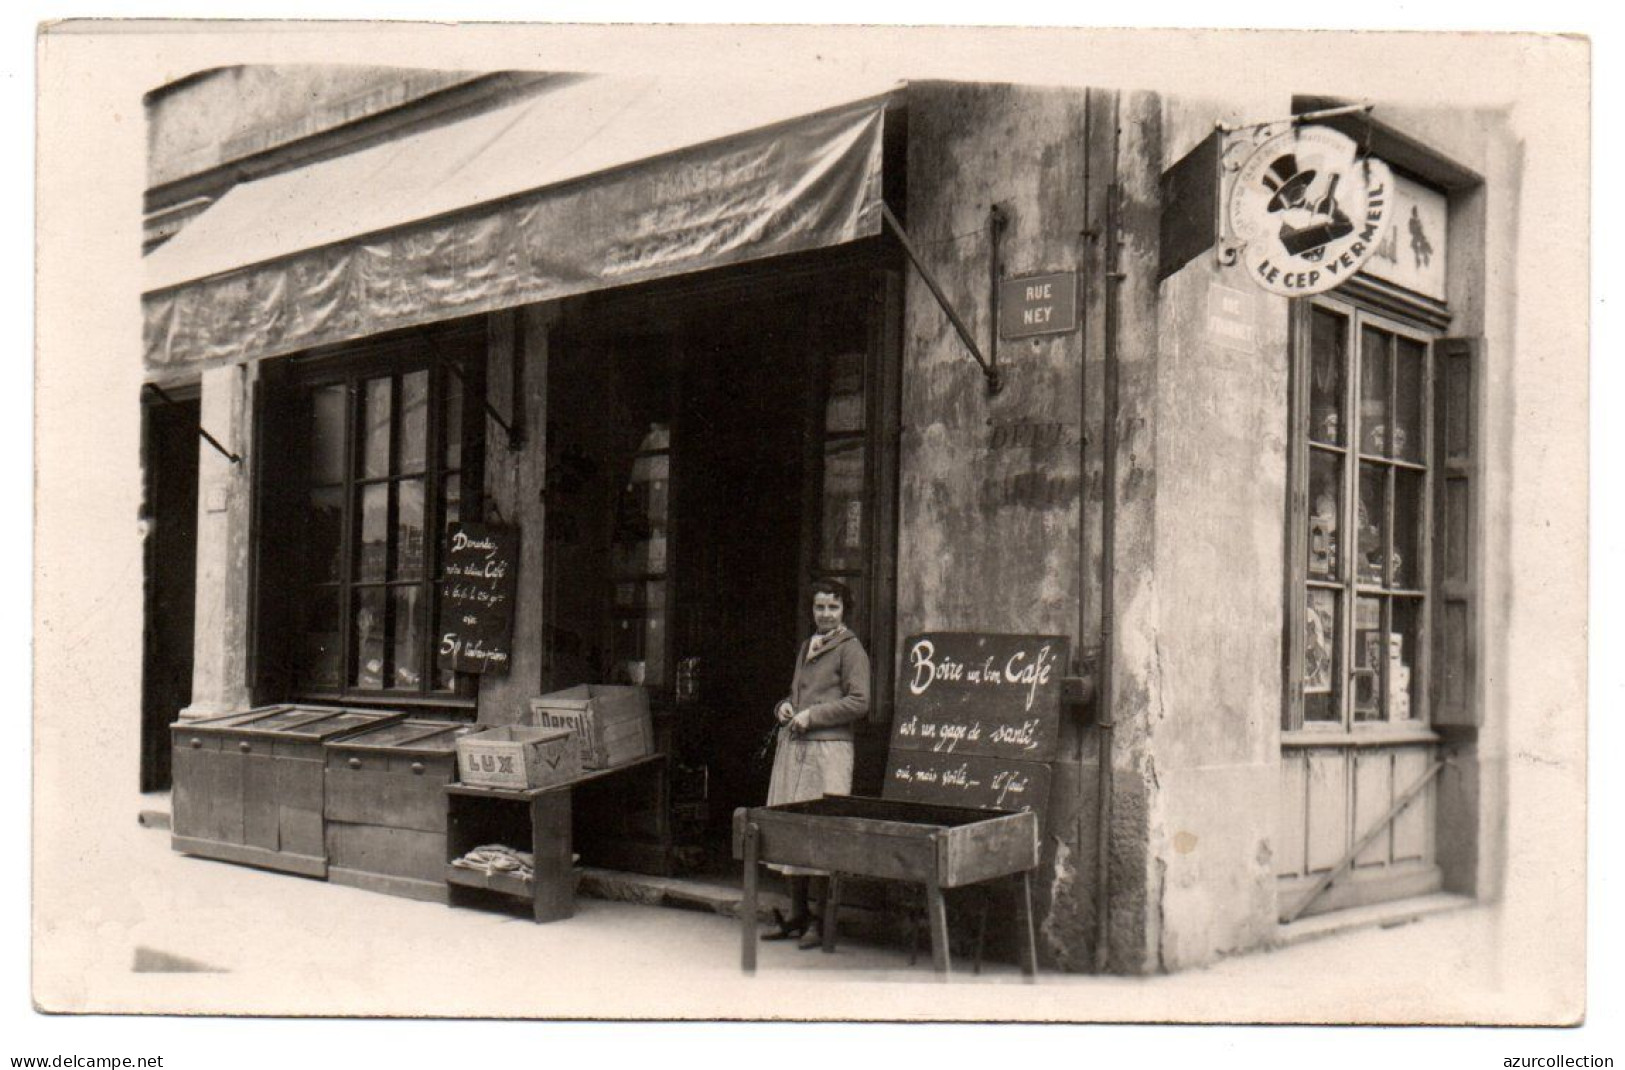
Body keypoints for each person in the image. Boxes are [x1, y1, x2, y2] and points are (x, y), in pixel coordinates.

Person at [759, 578, 871, 949]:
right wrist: (785, 707)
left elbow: (859, 702)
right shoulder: (809, 646)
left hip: (829, 752)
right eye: (819, 607)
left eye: (833, 608)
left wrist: (814, 716)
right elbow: (797, 694)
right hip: (796, 749)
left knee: (821, 834)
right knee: (792, 828)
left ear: (844, 611)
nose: (825, 614)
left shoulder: (850, 650)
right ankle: (797, 914)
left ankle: (821, 921)